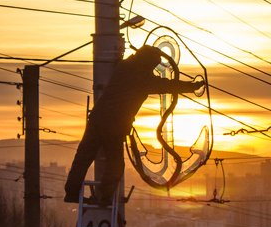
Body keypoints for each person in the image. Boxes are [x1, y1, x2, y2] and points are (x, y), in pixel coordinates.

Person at [64, 44, 204, 205]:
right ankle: (103, 197)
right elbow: (168, 85)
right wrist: (192, 86)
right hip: (114, 125)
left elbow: (131, 64)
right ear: (147, 63)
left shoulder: (123, 67)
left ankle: (72, 192)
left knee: (83, 157)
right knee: (115, 164)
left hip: (97, 119)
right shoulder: (142, 78)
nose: (153, 69)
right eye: (153, 65)